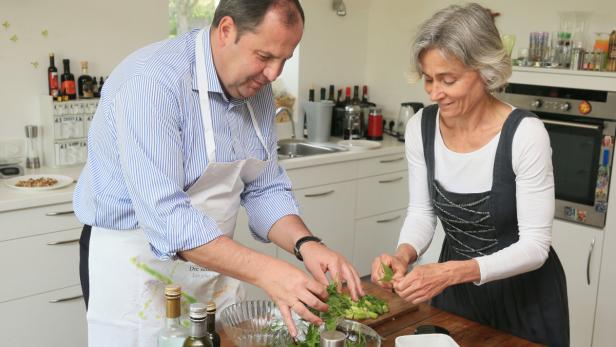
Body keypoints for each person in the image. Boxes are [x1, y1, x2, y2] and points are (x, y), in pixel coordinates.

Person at [74, 0, 364, 345]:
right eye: (265, 56)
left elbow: (264, 187)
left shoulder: (256, 90)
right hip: (136, 266)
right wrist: (269, 272)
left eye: (285, 59)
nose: (274, 74)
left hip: (212, 265)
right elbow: (169, 219)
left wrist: (307, 244)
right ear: (226, 30)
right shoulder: (152, 83)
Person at [370, 3, 569, 346]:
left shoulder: (524, 134)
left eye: (448, 80)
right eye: (428, 79)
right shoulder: (422, 127)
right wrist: (403, 254)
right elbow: (422, 212)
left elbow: (536, 247)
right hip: (457, 295)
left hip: (525, 299)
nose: (434, 92)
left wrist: (451, 272)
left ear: (485, 71)